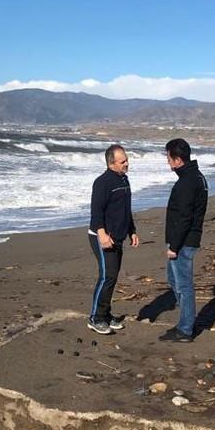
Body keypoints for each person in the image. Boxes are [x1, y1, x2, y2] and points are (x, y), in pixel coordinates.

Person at [159, 138, 208, 343]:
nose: (167, 161)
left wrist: (174, 246)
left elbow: (185, 218)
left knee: (184, 285)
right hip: (185, 239)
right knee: (173, 278)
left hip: (184, 241)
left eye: (168, 158)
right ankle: (186, 320)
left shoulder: (188, 182)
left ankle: (186, 329)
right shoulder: (195, 177)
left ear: (178, 160)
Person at [87, 144, 139, 335]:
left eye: (127, 160)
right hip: (102, 237)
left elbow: (126, 209)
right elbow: (96, 212)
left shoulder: (124, 179)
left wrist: (132, 231)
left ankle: (106, 315)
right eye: (123, 161)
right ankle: (95, 318)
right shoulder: (102, 182)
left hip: (118, 237)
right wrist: (102, 234)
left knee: (112, 277)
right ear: (111, 163)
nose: (127, 163)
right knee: (106, 276)